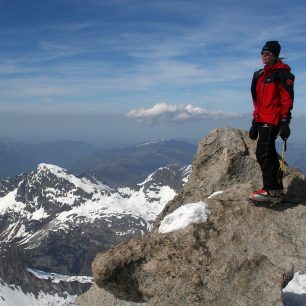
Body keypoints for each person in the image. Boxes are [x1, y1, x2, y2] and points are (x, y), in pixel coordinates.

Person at [249, 41, 295, 203]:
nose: (264, 56)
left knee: (264, 153)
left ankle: (270, 191)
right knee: (266, 153)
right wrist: (255, 121)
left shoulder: (282, 73)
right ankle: (275, 190)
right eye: (262, 53)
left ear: (275, 55)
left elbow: (286, 99)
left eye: (267, 53)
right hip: (262, 119)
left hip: (273, 119)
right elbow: (258, 102)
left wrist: (285, 122)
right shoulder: (260, 75)